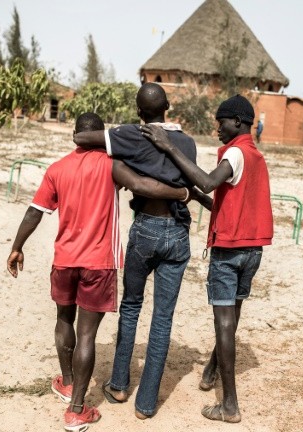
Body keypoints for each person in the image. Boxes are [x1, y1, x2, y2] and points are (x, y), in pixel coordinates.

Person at [7, 112, 192, 432]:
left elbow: (34, 212)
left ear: (76, 135)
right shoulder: (111, 165)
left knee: (64, 320)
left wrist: (17, 246)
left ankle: (66, 384)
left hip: (64, 260)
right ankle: (77, 410)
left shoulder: (57, 168)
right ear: (100, 136)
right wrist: (180, 194)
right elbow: (141, 184)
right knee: (88, 334)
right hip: (98, 263)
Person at [140, 94, 274, 424]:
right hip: (252, 250)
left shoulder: (236, 152)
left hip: (229, 253)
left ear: (239, 123)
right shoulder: (255, 155)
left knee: (224, 321)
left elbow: (209, 182)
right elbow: (224, 201)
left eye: (222, 122)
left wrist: (168, 146)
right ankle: (213, 367)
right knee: (233, 315)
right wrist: (193, 196)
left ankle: (228, 405)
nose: (217, 128)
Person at [73, 83, 202, 419]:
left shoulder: (134, 134)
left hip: (146, 227)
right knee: (163, 317)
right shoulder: (187, 142)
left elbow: (83, 139)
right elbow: (188, 183)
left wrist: (120, 138)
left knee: (131, 306)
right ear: (168, 106)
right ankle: (146, 405)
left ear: (139, 111)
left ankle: (118, 385)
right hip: (178, 231)